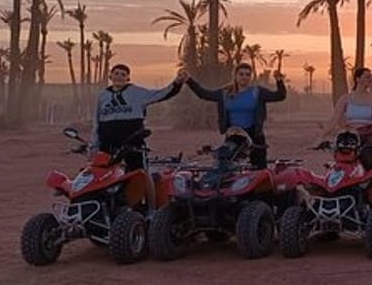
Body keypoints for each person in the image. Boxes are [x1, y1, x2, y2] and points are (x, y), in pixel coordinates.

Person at [92, 63, 187, 212]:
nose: (119, 76)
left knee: (141, 174)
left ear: (128, 78)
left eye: (123, 74)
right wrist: (94, 144)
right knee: (104, 176)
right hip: (107, 144)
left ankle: (151, 209)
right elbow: (96, 122)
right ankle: (107, 209)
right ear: (110, 76)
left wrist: (177, 84)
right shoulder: (102, 96)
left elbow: (161, 94)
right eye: (116, 73)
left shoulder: (136, 93)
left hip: (133, 142)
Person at [185, 63, 286, 169]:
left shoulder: (257, 92)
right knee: (226, 166)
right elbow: (203, 94)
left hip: (255, 134)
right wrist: (188, 80)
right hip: (234, 135)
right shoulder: (225, 93)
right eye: (241, 74)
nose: (244, 77)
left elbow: (279, 96)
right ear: (235, 76)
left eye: (247, 75)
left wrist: (279, 81)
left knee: (259, 168)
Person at [319, 67, 372, 168]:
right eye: (367, 77)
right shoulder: (346, 99)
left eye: (371, 77)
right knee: (343, 157)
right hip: (350, 135)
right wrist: (320, 137)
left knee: (368, 159)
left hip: (368, 135)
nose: (370, 79)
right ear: (358, 79)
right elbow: (334, 119)